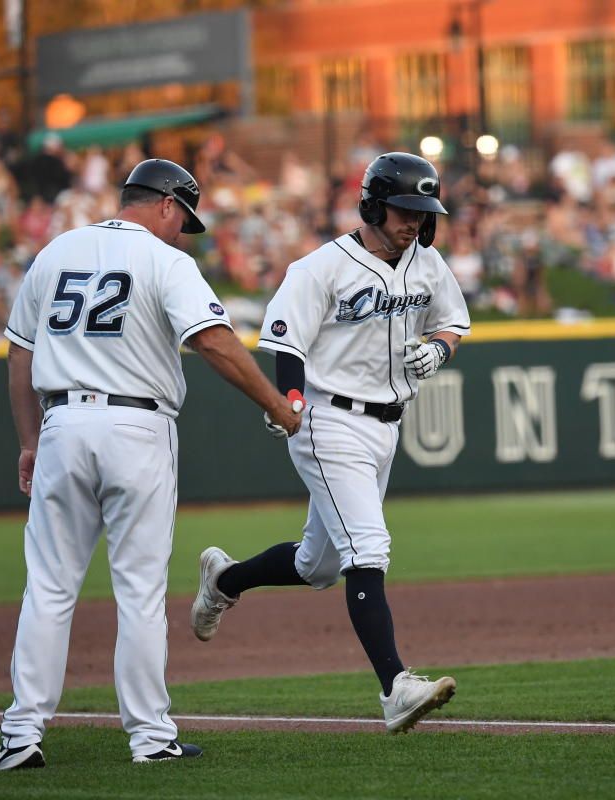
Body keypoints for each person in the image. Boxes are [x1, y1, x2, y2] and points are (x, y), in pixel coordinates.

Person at [0, 158, 301, 770]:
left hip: (61, 424)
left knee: (49, 588)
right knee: (138, 591)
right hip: (136, 426)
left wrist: (29, 440)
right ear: (164, 203)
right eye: (184, 216)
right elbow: (212, 340)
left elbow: (18, 355)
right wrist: (277, 406)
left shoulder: (57, 251)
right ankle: (151, 739)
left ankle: (20, 736)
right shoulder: (166, 261)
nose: (184, 229)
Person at [190, 152, 471, 733]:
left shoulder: (427, 263)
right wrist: (290, 403)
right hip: (328, 420)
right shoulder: (321, 268)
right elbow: (286, 344)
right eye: (404, 209)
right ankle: (395, 687)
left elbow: (453, 323)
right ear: (372, 204)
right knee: (368, 547)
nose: (414, 221)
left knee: (316, 565)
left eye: (423, 210)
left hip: (387, 425)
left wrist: (441, 348)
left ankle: (224, 580)